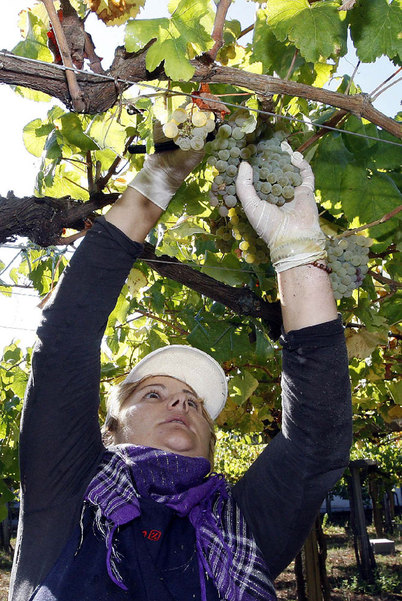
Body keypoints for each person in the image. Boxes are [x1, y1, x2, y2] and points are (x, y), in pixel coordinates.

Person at [9, 134, 352, 601]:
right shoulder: (67, 486)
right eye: (153, 394)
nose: (179, 403)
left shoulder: (241, 523)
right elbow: (65, 342)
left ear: (210, 445)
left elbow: (317, 442)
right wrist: (159, 178)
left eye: (193, 403)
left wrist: (298, 251)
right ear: (110, 430)